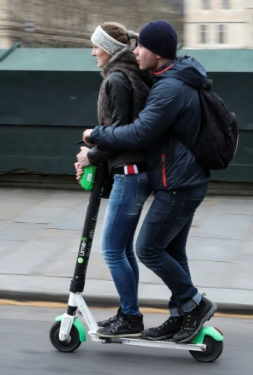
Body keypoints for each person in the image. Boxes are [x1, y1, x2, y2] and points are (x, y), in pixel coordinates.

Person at [82, 20, 217, 344]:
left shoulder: (169, 87)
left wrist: (93, 138)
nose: (135, 50)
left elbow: (138, 132)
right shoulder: (167, 79)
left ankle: (193, 305)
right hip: (182, 178)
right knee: (171, 249)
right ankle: (180, 314)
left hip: (179, 182)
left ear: (155, 51)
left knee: (146, 248)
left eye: (140, 46)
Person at [74, 22, 152, 338]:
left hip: (129, 175)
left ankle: (130, 317)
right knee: (124, 250)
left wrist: (90, 155)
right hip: (135, 173)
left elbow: (121, 134)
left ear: (108, 48)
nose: (93, 52)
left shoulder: (118, 79)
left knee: (111, 251)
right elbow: (120, 130)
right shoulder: (130, 74)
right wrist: (94, 146)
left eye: (96, 46)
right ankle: (128, 313)